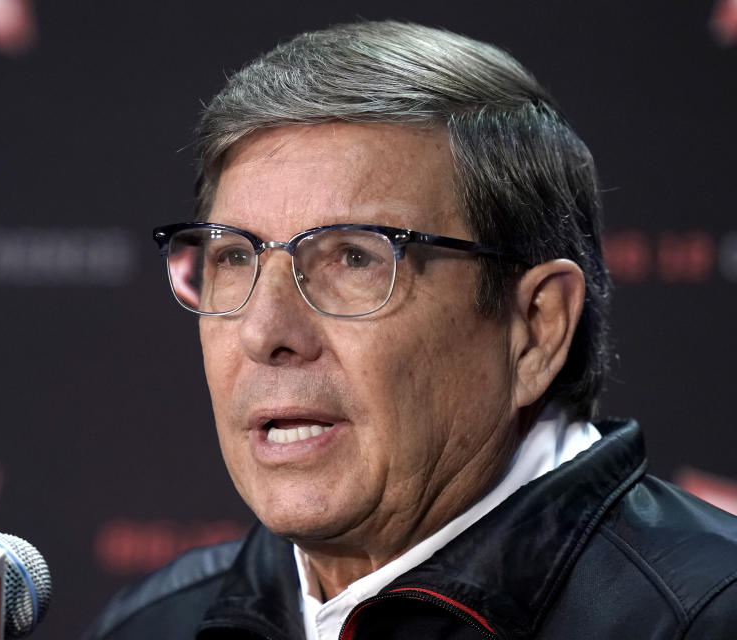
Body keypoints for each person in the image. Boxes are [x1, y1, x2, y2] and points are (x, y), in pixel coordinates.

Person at [86, 21, 737, 639]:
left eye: (354, 257)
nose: (264, 331)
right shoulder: (152, 625)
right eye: (234, 257)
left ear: (536, 327)